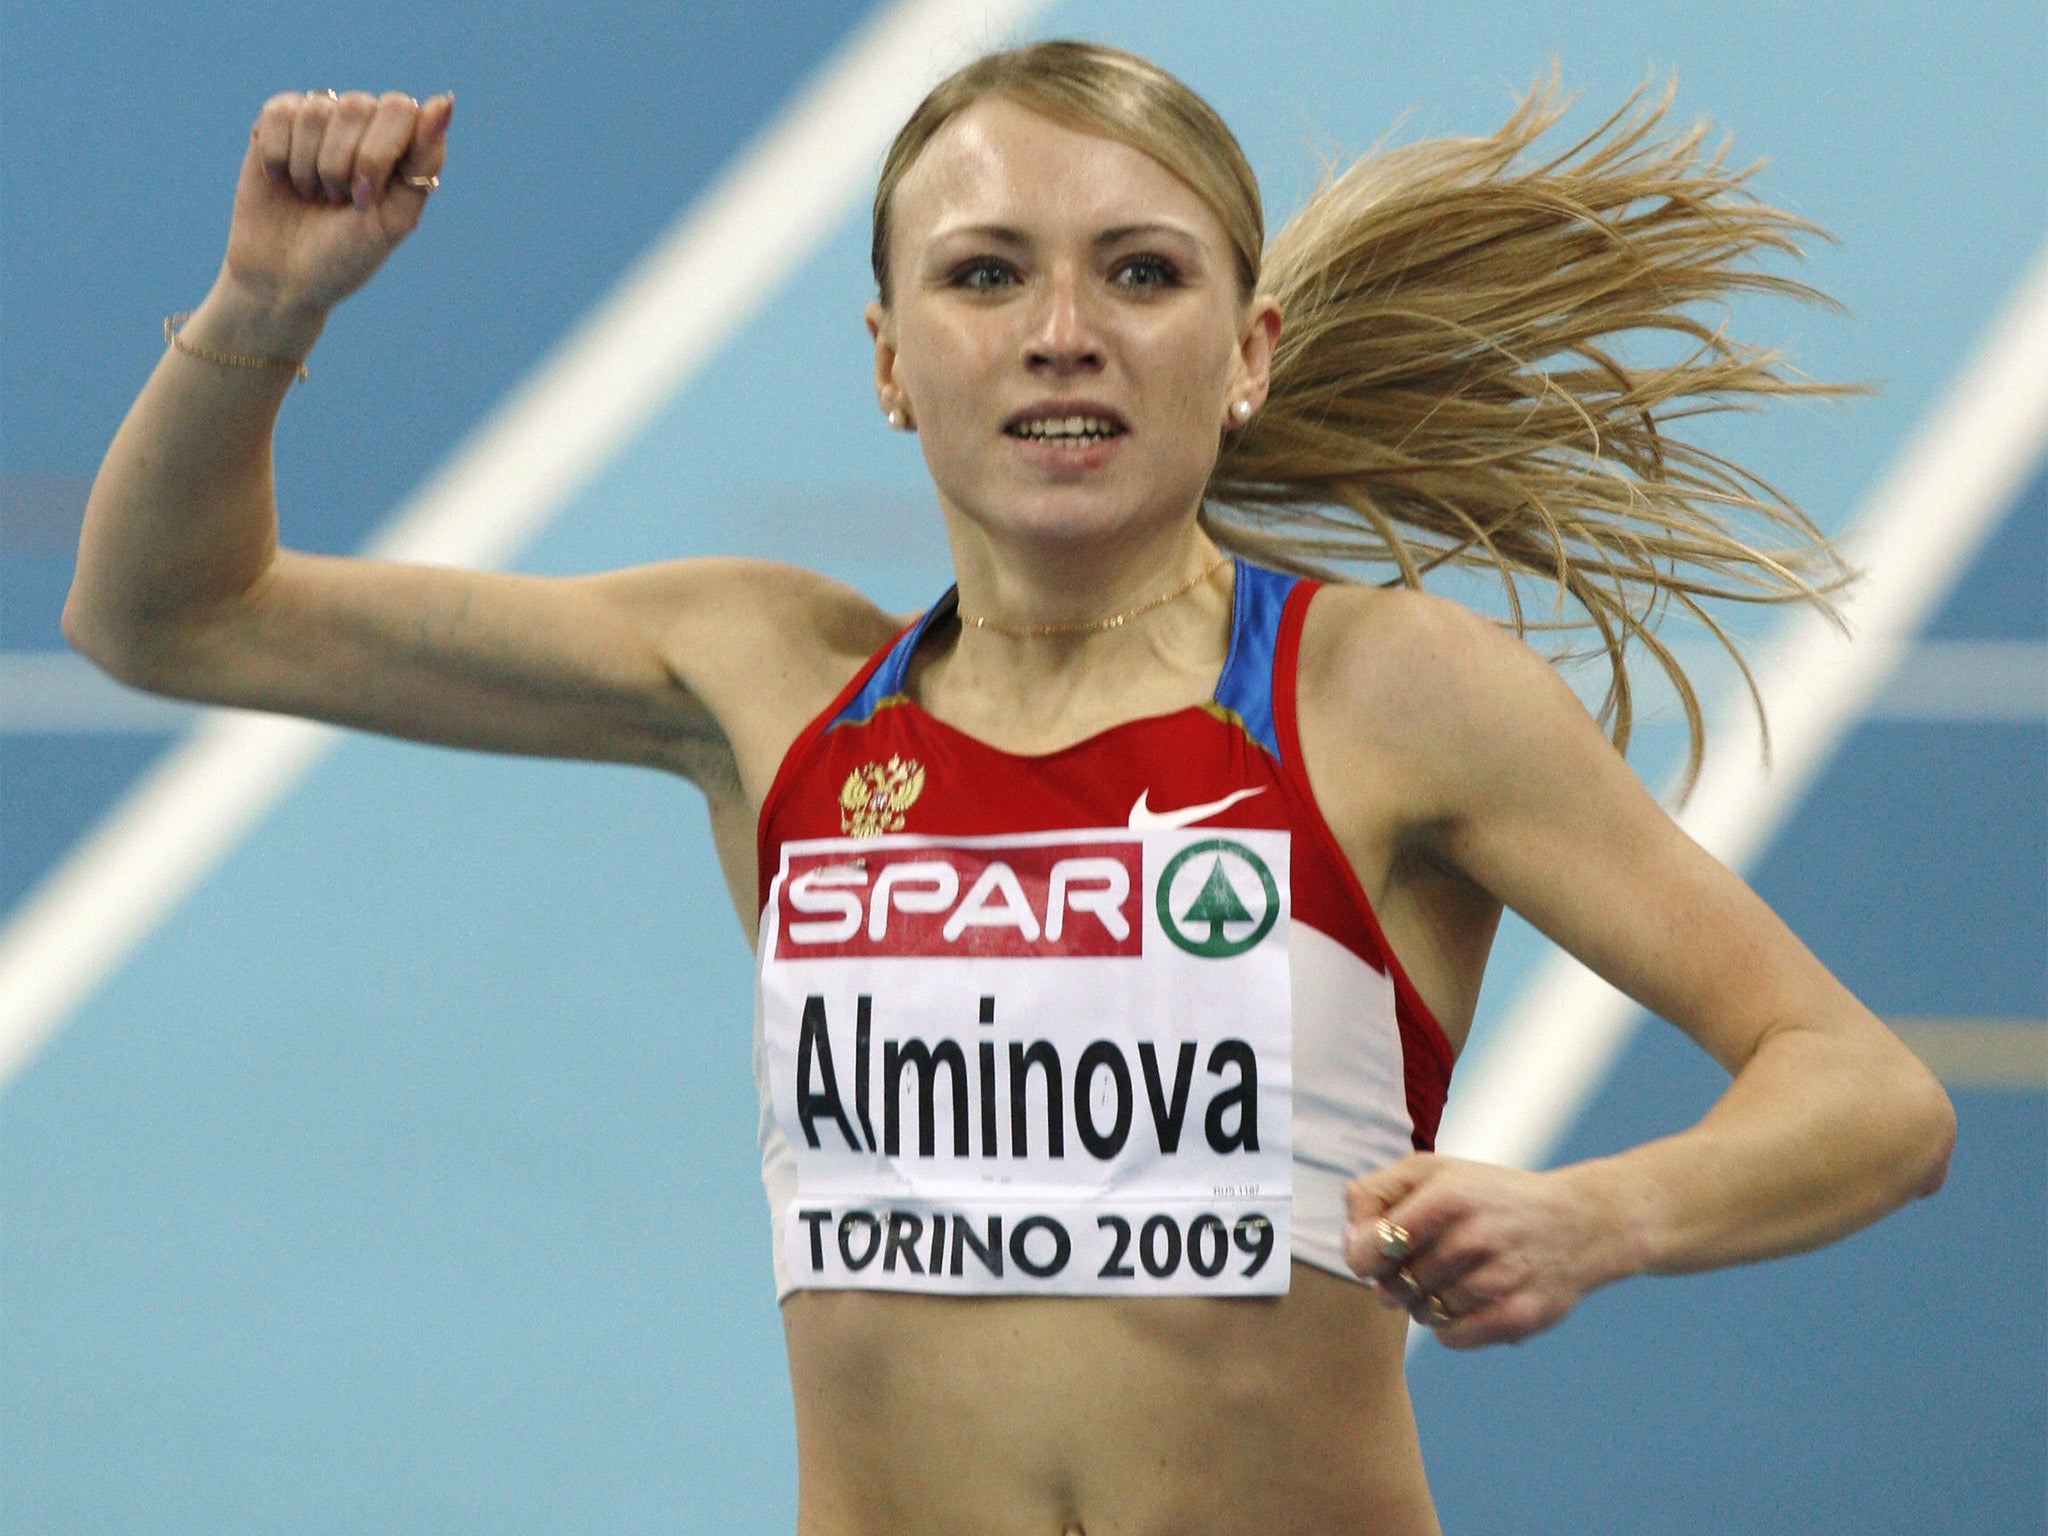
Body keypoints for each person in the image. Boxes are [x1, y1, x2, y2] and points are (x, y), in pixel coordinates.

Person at [67, 41, 1953, 1535]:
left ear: (1247, 354)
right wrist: (266, 301)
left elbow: (1865, 1091)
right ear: (892, 361)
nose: (1066, 330)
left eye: (1142, 273)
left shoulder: (1384, 696)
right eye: (986, 276)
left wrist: (1597, 1216)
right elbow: (171, 618)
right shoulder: (768, 683)